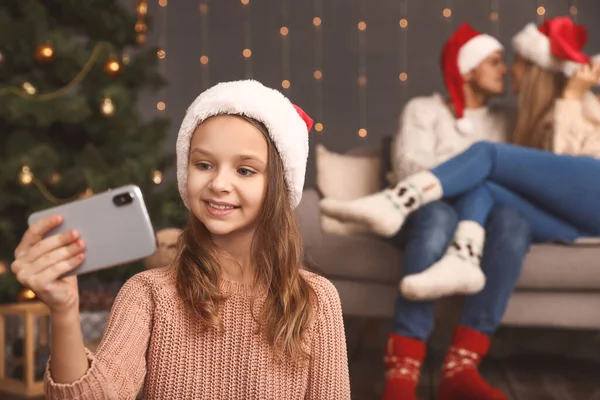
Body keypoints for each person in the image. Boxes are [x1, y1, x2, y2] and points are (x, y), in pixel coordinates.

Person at [11, 80, 351, 399]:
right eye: (204, 164)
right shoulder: (148, 294)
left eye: (245, 170)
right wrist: (65, 312)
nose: (218, 183)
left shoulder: (316, 301)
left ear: (279, 186)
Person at [320, 16, 600, 302]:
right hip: (567, 222)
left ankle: (397, 201)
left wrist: (571, 97)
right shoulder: (524, 118)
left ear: (535, 71)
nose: (508, 70)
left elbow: (563, 173)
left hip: (591, 203)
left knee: (488, 154)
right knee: (481, 186)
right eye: (498, 62)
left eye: (515, 62)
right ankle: (463, 260)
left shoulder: (582, 106)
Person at [377, 23, 532, 400]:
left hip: (485, 222)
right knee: (438, 217)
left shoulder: (507, 121)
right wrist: (481, 167)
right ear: (467, 69)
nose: (505, 70)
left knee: (515, 222)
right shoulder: (423, 109)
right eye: (495, 61)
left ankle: (461, 367)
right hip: (425, 214)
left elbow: (520, 180)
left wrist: (464, 174)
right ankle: (403, 369)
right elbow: (408, 168)